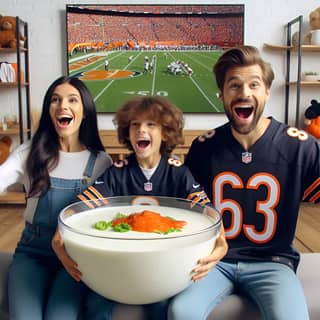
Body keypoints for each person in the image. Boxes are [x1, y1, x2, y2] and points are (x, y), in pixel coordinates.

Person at [168, 45, 320, 320]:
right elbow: (187, 212)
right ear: (222, 95)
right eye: (234, 85)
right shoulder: (205, 147)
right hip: (215, 261)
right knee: (181, 312)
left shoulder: (299, 146)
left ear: (266, 92)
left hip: (272, 262)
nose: (244, 93)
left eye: (254, 84)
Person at [53, 95, 228, 320]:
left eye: (150, 124)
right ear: (127, 132)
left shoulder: (178, 172)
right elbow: (82, 205)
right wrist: (60, 235)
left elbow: (207, 210)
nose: (140, 130)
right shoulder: (118, 171)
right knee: (97, 303)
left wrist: (221, 243)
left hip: (163, 265)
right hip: (121, 262)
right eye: (135, 124)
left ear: (165, 132)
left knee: (163, 303)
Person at [0, 76, 112, 320]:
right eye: (55, 100)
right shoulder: (29, 152)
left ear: (84, 113)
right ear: (49, 111)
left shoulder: (101, 162)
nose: (62, 105)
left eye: (72, 100)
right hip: (32, 254)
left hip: (76, 258)